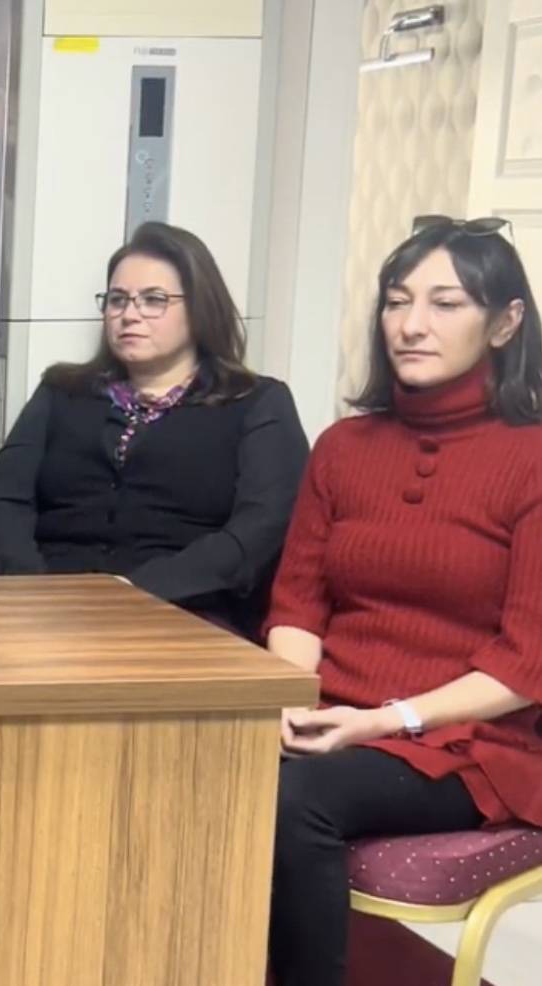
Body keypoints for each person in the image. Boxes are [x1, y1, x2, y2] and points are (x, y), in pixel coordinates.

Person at [264, 218, 542, 986]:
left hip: (465, 744)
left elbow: (524, 664)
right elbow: (298, 604)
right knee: (177, 759)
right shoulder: (343, 448)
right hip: (332, 717)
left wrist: (383, 721)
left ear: (505, 322)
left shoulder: (532, 457)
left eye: (445, 303)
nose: (411, 324)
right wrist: (293, 700)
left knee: (294, 799)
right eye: (397, 300)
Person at [0, 222, 308, 636]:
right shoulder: (61, 391)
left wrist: (136, 593)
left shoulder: (257, 403)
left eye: (154, 300)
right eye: (117, 300)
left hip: (186, 613)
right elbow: (4, 502)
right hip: (46, 609)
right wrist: (33, 590)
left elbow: (258, 532)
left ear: (200, 308)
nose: (129, 315)